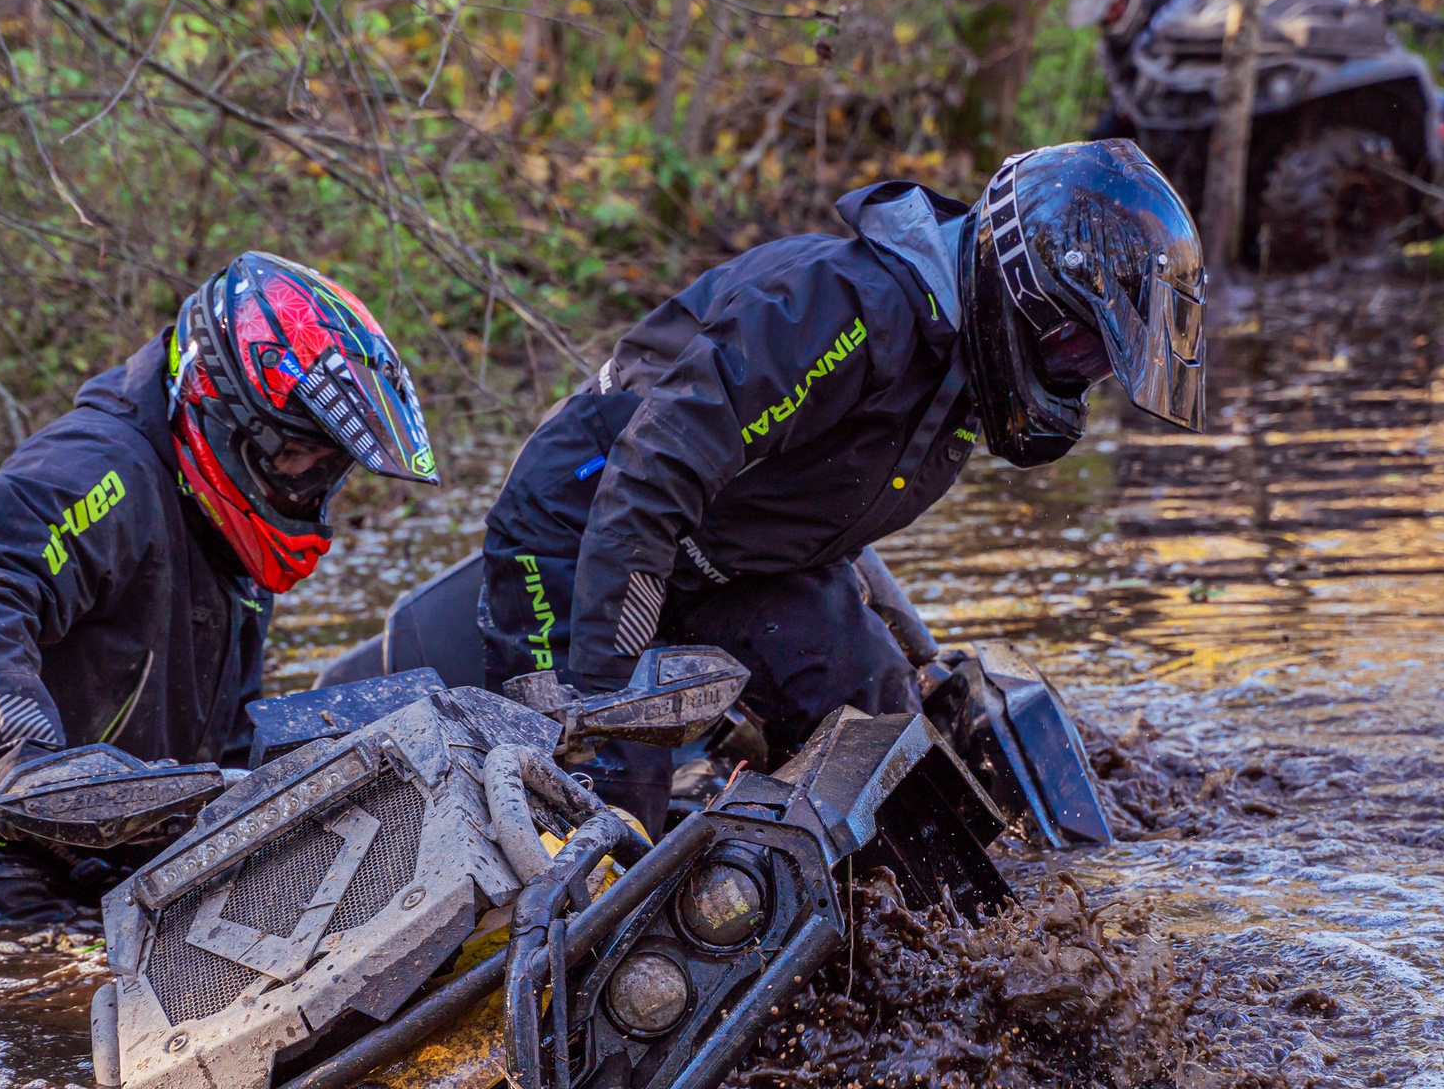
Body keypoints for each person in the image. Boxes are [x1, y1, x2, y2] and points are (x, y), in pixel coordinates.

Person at [477, 139, 1207, 833]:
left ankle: (863, 935)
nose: (1086, 373)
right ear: (1031, 293)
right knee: (616, 813)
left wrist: (923, 664)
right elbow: (650, 472)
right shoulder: (847, 309)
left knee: (879, 731)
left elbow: (831, 518)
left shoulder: (951, 375)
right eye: (1085, 348)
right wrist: (612, 698)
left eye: (1103, 364)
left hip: (723, 558)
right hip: (580, 535)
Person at [0, 254, 438, 925]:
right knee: (85, 1007)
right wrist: (25, 760)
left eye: (326, 468)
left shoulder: (228, 534)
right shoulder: (102, 467)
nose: (309, 485)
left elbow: (215, 745)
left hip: (72, 846)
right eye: (296, 458)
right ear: (228, 418)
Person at [1066, 0, 1234, 138]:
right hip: (1184, 131)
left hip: (1242, 74)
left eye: (1113, 6)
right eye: (1101, 14)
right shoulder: (1115, 52)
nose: (1108, 17)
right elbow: (1127, 111)